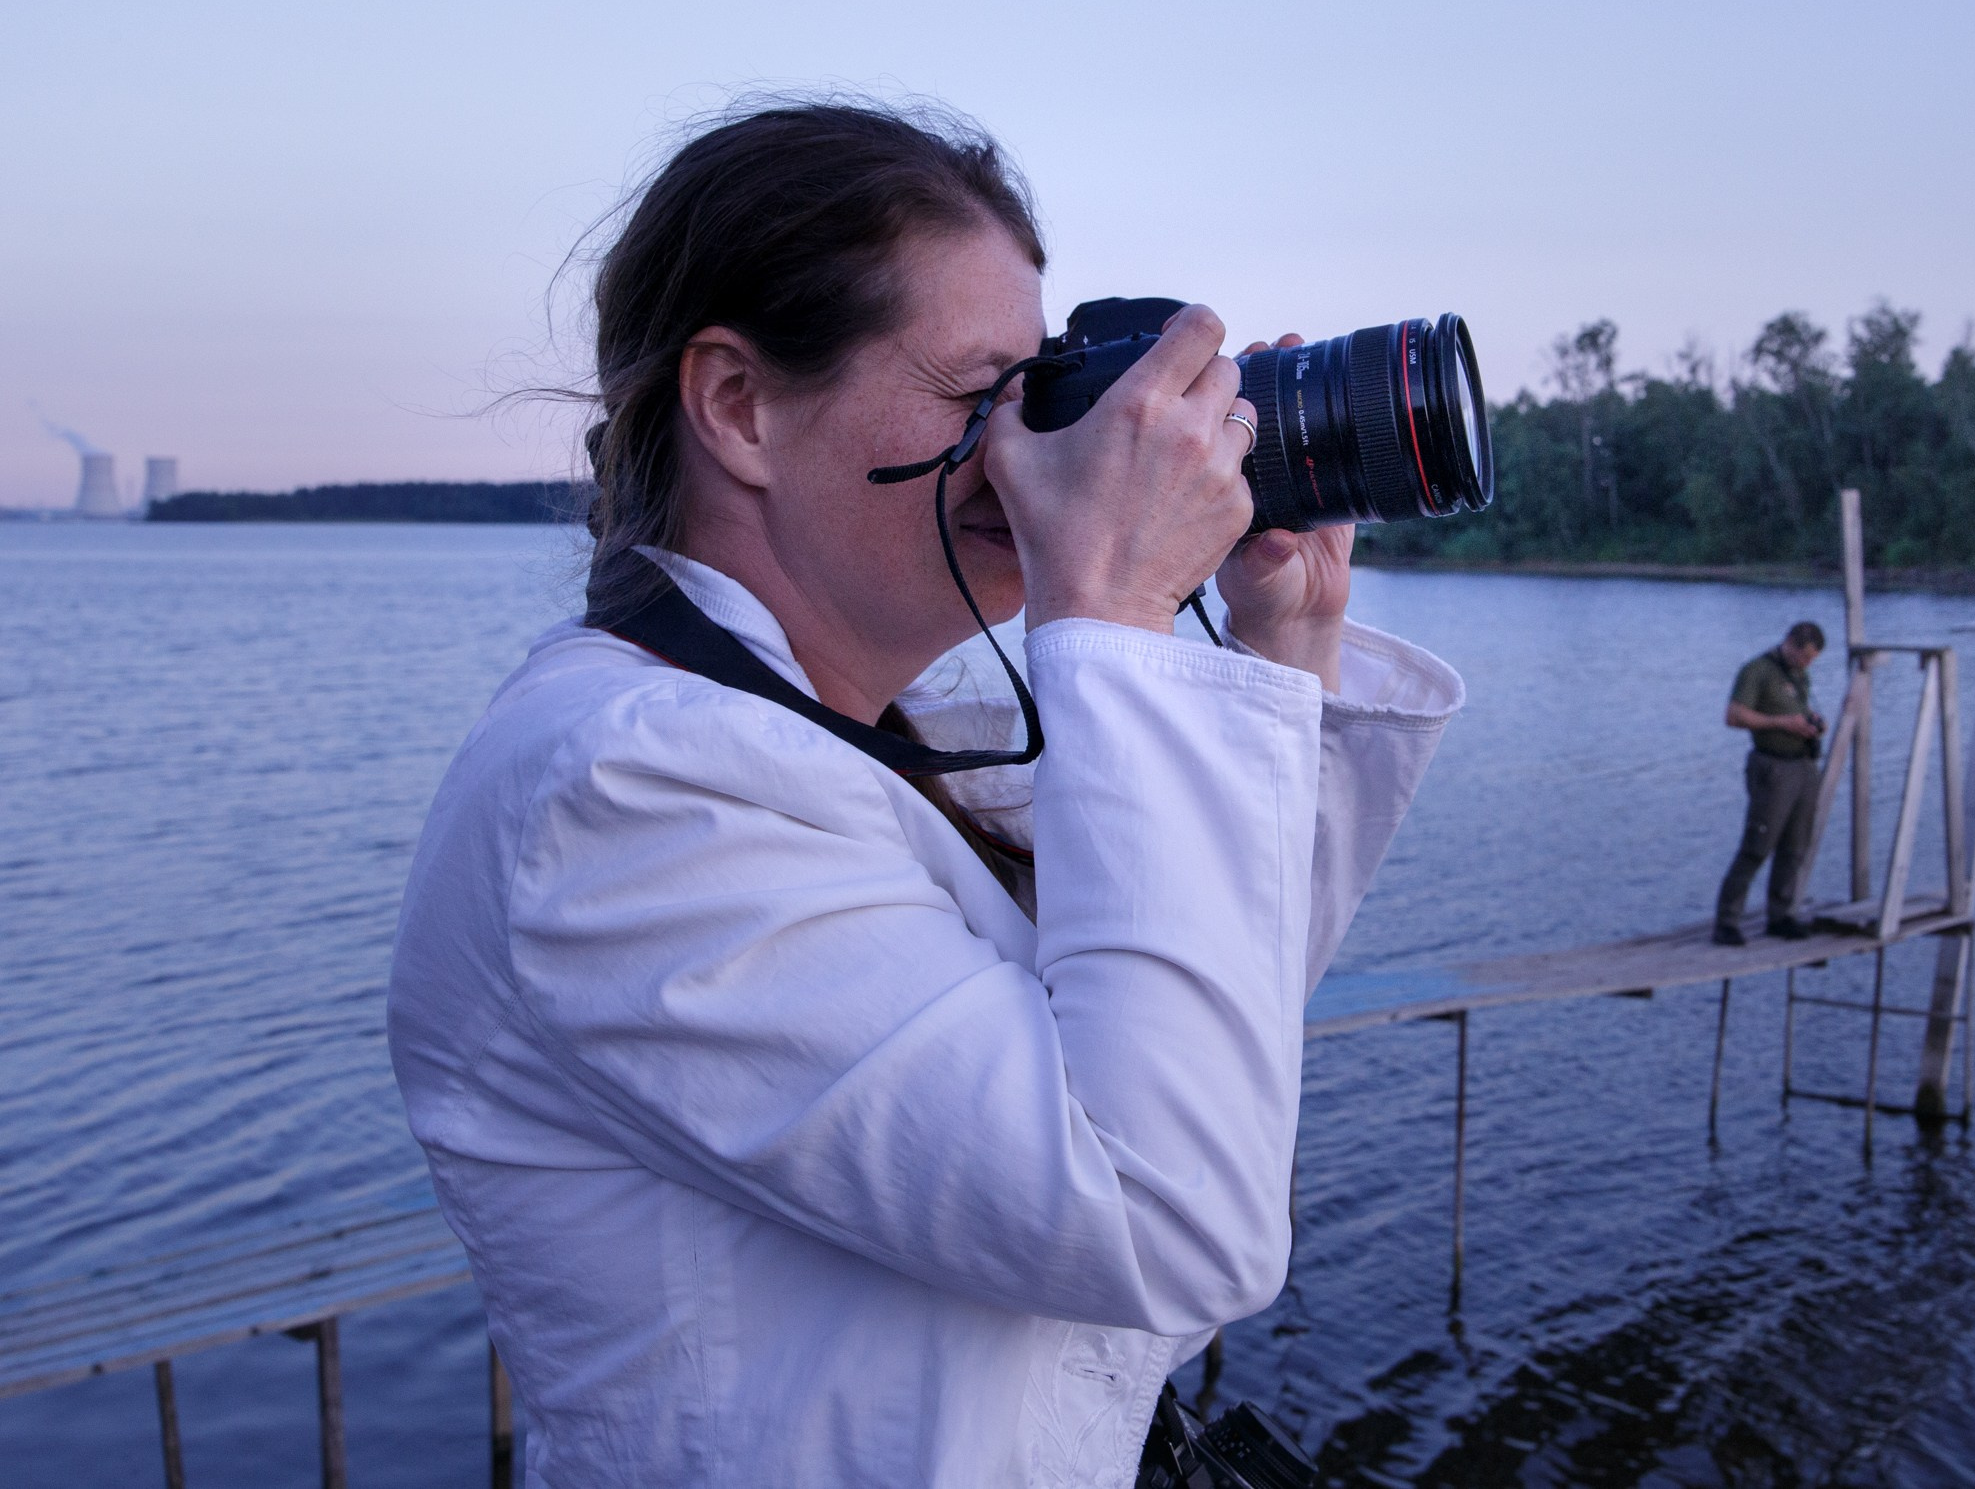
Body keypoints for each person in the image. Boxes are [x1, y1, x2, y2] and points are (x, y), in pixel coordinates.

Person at [385, 102, 1462, 1486]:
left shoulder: (863, 739)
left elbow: (1198, 1053)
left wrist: (1284, 642)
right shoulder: (626, 788)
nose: (1028, 452)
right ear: (739, 406)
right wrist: (1119, 606)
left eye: (1042, 391)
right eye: (976, 396)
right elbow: (1167, 1214)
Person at [1711, 621, 1826, 947]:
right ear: (1789, 642)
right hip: (1772, 767)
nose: (1805, 665)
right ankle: (1727, 921)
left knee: (1796, 845)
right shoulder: (1757, 671)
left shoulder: (1799, 674)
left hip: (1803, 766)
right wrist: (1781, 723)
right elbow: (1733, 717)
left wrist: (1811, 724)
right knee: (1757, 845)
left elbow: (1796, 709)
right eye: (1802, 657)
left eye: (1811, 661)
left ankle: (1780, 915)